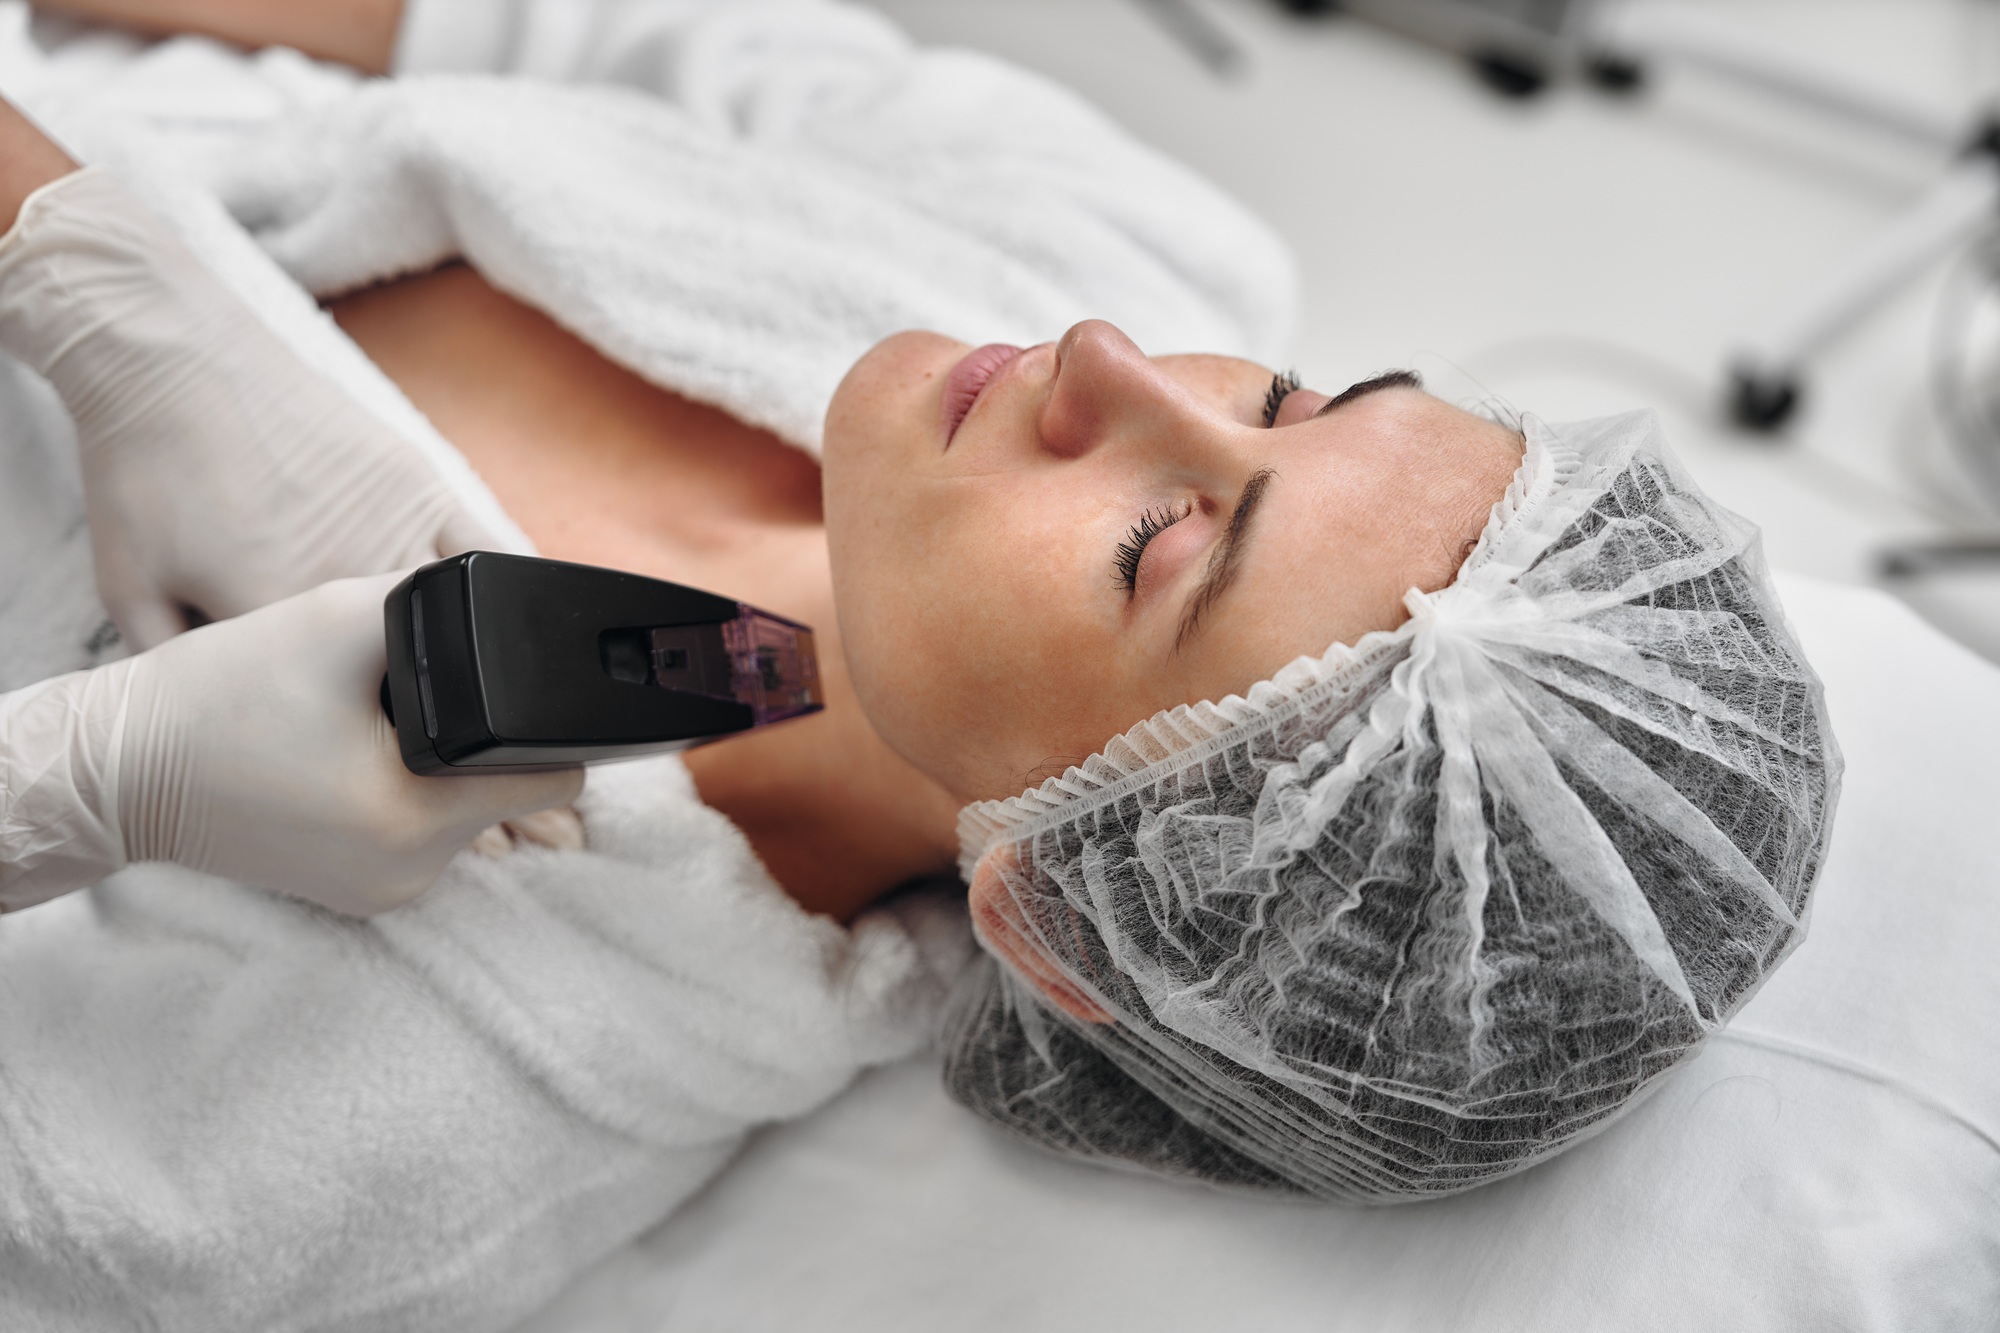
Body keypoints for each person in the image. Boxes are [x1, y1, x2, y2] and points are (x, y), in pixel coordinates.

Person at [0, 0, 1836, 1324]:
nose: (1118, 356)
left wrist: (75, 784)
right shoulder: (1102, 225)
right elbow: (483, 24)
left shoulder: (362, 1146)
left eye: (1161, 545)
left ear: (1052, 911)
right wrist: (58, 241)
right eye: (1295, 397)